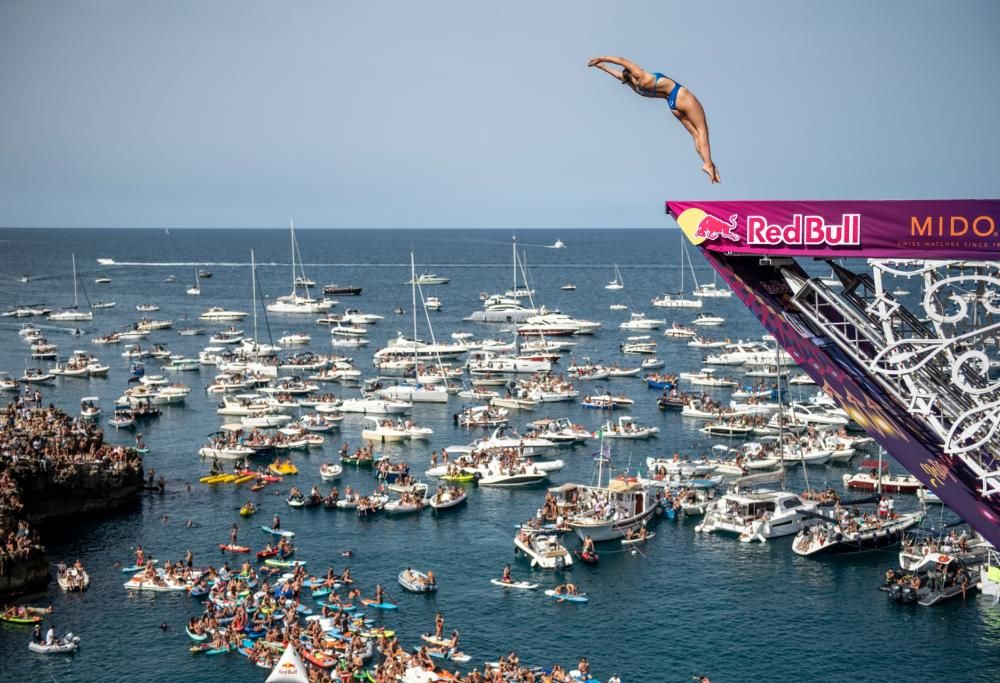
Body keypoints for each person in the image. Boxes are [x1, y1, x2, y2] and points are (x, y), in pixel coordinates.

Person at [588, 56, 720, 183]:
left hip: (673, 105)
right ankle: (708, 164)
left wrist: (603, 67)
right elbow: (621, 61)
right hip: (681, 95)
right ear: (635, 72)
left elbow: (618, 75)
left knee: (695, 135)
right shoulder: (644, 76)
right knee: (702, 131)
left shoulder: (637, 87)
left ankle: (708, 164)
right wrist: (602, 58)